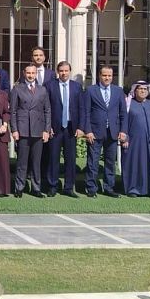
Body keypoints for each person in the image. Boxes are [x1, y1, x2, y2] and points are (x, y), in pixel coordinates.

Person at [83, 65, 127, 198]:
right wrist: (88, 131)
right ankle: (91, 188)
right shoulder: (91, 90)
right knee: (93, 162)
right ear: (99, 76)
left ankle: (109, 188)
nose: (107, 78)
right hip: (95, 132)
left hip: (113, 132)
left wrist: (123, 130)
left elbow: (123, 113)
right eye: (104, 75)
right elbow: (86, 112)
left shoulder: (118, 91)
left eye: (109, 75)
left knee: (110, 162)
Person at [44, 61, 86, 198]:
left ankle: (68, 187)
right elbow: (46, 108)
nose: (64, 73)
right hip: (55, 128)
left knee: (70, 159)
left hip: (71, 128)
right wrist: (47, 126)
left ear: (70, 71)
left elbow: (82, 108)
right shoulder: (49, 86)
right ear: (58, 72)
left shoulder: (77, 87)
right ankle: (52, 186)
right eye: (61, 71)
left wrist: (81, 127)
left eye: (66, 70)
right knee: (53, 158)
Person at [10, 64, 51, 198]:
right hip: (23, 130)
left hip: (38, 130)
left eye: (33, 73)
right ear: (24, 73)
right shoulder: (17, 89)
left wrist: (46, 130)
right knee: (22, 162)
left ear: (36, 74)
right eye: (28, 73)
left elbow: (47, 111)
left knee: (36, 162)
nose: (31, 75)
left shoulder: (42, 90)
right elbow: (13, 111)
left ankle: (36, 188)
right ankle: (19, 188)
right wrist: (14, 130)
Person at [122, 81, 150, 198]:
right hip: (133, 141)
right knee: (133, 165)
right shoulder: (128, 104)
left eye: (145, 89)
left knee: (149, 165)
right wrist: (125, 138)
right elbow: (123, 122)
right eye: (140, 89)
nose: (143, 91)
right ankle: (133, 190)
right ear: (135, 91)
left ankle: (149, 190)